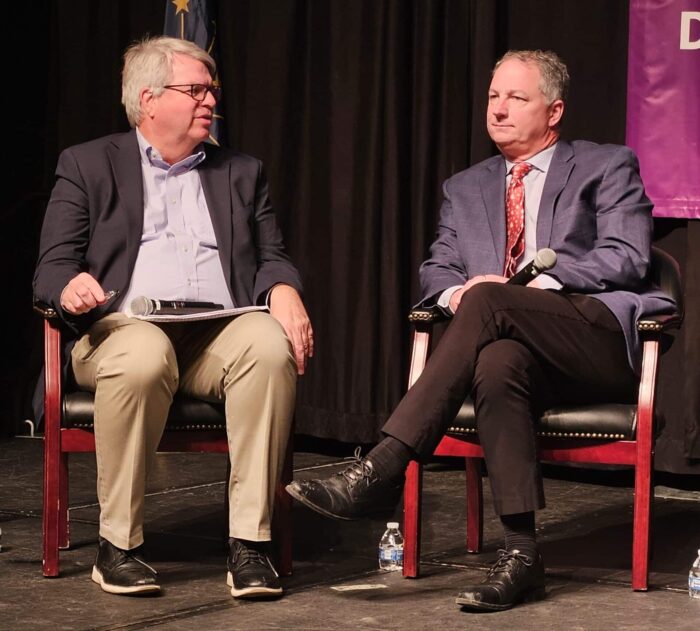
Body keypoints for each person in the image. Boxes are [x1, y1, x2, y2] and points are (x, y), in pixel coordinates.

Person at [286, 49, 675, 612]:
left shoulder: (606, 165)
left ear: (554, 111)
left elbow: (627, 255)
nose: (498, 109)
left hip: (593, 338)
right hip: (513, 347)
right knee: (496, 363)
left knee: (492, 300)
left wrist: (539, 282)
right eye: (493, 96)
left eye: (516, 97)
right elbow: (438, 268)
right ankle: (522, 555)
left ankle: (384, 466)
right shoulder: (465, 188)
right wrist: (457, 294)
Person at [33, 35, 313, 599]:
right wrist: (71, 287)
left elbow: (272, 255)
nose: (211, 100)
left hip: (217, 334)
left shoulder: (242, 171)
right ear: (149, 99)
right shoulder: (87, 164)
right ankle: (118, 546)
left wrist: (283, 286)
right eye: (196, 90)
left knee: (266, 343)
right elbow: (51, 269)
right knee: (144, 352)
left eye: (212, 90)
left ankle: (251, 543)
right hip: (120, 333)